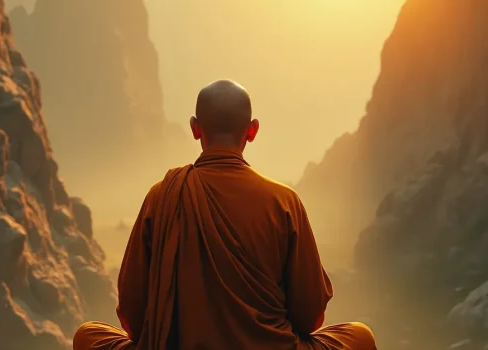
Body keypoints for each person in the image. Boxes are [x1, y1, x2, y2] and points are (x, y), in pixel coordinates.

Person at [73, 80, 377, 350]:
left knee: (87, 336)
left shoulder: (162, 196)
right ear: (252, 130)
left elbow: (131, 313)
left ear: (195, 128)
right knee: (360, 337)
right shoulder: (284, 202)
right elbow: (310, 317)